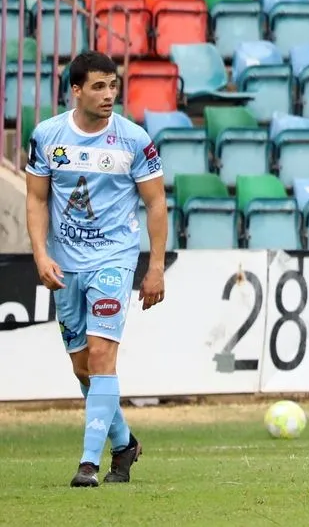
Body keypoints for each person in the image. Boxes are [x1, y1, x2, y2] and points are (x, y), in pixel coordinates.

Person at [24, 51, 168, 487]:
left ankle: (89, 463)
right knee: (83, 366)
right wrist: (39, 254)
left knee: (103, 354)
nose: (109, 95)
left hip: (114, 257)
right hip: (64, 263)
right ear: (76, 90)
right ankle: (124, 442)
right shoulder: (48, 136)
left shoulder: (133, 139)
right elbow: (35, 199)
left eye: (113, 86)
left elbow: (156, 202)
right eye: (99, 87)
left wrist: (155, 266)